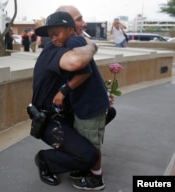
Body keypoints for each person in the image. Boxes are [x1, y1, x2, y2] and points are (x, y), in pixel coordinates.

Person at [31, 12, 98, 186]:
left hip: (63, 114)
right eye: (51, 35)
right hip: (49, 121)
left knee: (109, 112)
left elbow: (86, 73)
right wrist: (91, 45)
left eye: (57, 33)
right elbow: (77, 63)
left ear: (70, 31)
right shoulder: (55, 51)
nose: (53, 38)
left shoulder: (70, 47)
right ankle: (45, 160)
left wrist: (64, 90)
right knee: (89, 156)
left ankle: (71, 153)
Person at [54, 5, 116, 190]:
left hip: (89, 106)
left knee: (90, 143)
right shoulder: (80, 41)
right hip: (89, 104)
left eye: (81, 18)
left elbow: (85, 73)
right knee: (86, 139)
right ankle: (85, 169)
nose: (84, 22)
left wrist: (62, 92)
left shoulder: (74, 42)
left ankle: (96, 178)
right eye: (79, 19)